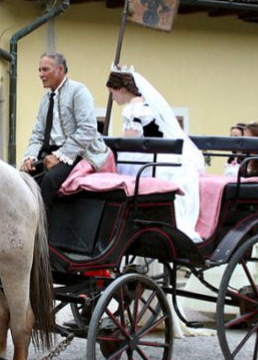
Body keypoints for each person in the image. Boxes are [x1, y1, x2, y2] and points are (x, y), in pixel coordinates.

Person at [105, 66, 204, 238]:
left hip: (147, 158)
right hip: (159, 155)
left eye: (113, 93)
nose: (113, 98)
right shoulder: (145, 103)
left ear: (121, 90)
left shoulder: (133, 108)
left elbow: (130, 140)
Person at [20, 52, 108, 207]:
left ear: (60, 69)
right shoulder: (45, 100)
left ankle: (41, 228)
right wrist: (30, 157)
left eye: (45, 69)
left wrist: (60, 157)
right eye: (39, 70)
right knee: (22, 178)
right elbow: (38, 134)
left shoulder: (79, 91)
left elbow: (88, 129)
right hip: (50, 153)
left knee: (49, 180)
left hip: (78, 153)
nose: (41, 74)